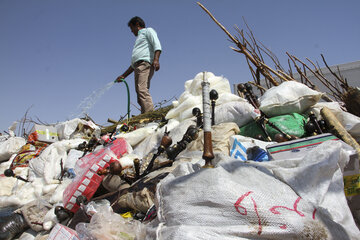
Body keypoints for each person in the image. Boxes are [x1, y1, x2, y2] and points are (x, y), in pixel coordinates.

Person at [116, 16, 162, 114]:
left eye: (131, 28)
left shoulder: (148, 31)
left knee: (142, 90)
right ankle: (144, 115)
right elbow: (133, 64)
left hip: (145, 64)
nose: (131, 31)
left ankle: (149, 116)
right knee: (139, 93)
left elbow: (157, 45)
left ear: (137, 25)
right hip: (138, 66)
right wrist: (123, 75)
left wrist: (156, 59)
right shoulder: (139, 39)